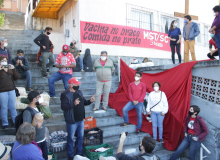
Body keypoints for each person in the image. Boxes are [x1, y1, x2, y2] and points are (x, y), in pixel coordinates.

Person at [61, 77, 95, 160]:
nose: (78, 85)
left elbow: (84, 102)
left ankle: (79, 153)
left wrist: (90, 101)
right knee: (71, 138)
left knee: (80, 137)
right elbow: (63, 107)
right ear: (71, 85)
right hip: (72, 120)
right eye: (76, 84)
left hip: (81, 120)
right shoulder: (65, 94)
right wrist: (73, 104)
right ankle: (71, 155)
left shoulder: (79, 92)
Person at [23, 91, 48, 160]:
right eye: (39, 97)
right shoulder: (27, 112)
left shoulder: (38, 108)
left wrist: (45, 107)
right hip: (35, 142)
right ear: (34, 99)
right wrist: (36, 127)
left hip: (42, 139)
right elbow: (26, 128)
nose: (40, 98)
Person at [0, 56, 19, 130]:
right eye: (2, 61)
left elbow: (16, 77)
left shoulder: (10, 69)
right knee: (4, 107)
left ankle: (15, 122)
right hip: (2, 91)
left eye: (5, 60)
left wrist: (13, 69)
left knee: (12, 107)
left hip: (11, 90)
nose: (4, 62)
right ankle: (5, 123)